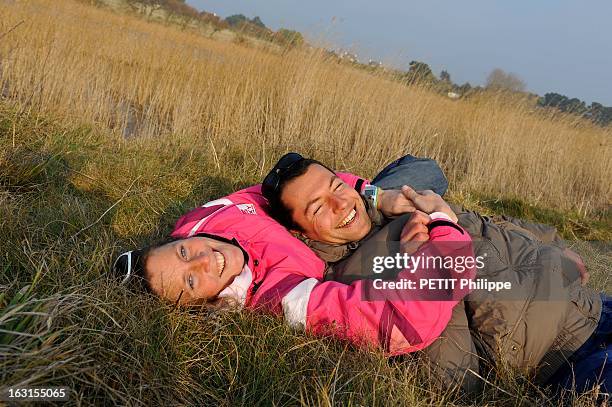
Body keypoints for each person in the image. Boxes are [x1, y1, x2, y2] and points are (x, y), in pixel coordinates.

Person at [261, 152, 610, 396]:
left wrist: (552, 246)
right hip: (571, 357)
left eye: (337, 187)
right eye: (319, 207)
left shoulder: (394, 202)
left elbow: (490, 223)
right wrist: (424, 263)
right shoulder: (353, 285)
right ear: (301, 233)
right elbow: (452, 378)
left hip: (596, 306)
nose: (341, 204)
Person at [113, 157, 475, 356]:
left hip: (329, 216)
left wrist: (375, 194)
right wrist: (444, 227)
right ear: (203, 304)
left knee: (424, 169)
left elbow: (285, 187)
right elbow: (401, 326)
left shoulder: (209, 217)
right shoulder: (279, 295)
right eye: (192, 280)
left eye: (183, 252)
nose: (204, 258)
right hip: (339, 248)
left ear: (180, 237)